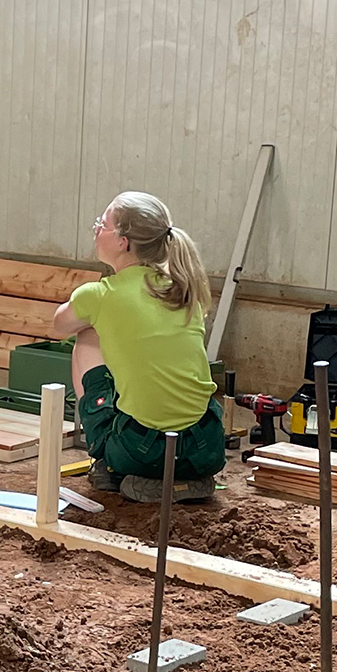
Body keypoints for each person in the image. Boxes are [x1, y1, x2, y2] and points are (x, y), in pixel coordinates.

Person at [51, 191, 225, 502]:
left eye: (102, 224)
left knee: (87, 335)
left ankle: (108, 464)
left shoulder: (101, 295)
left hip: (144, 451)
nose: (96, 230)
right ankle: (185, 480)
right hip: (206, 447)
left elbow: (59, 324)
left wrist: (96, 316)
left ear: (123, 242)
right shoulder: (182, 290)